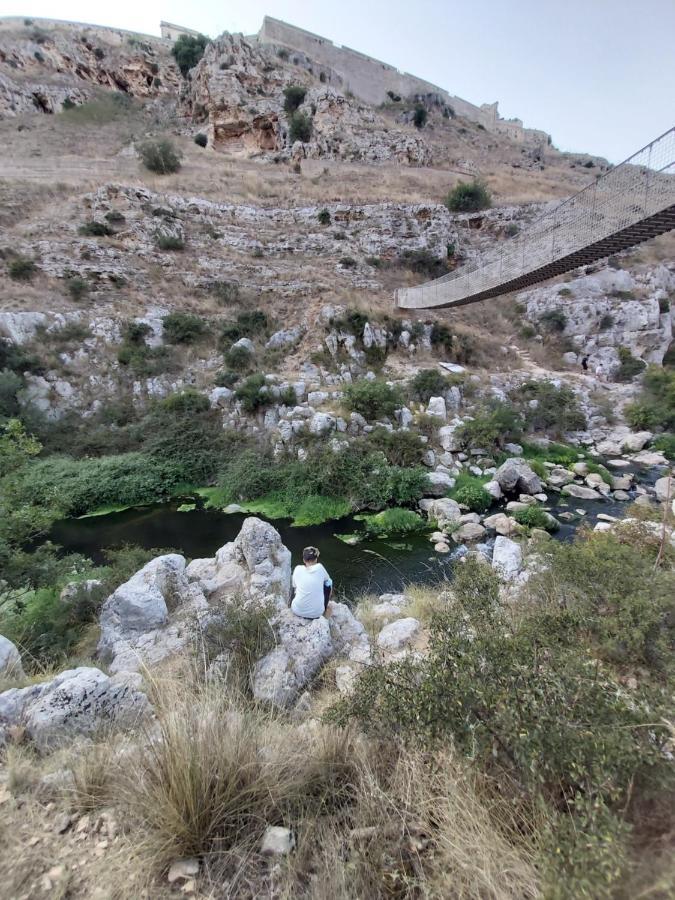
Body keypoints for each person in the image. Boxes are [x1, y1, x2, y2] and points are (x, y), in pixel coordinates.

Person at [290, 547, 333, 619]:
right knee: (328, 583)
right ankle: (325, 607)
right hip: (317, 613)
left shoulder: (297, 569)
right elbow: (328, 581)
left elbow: (294, 586)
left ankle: (302, 604)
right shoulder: (320, 568)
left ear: (304, 560)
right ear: (316, 559)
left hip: (297, 610)